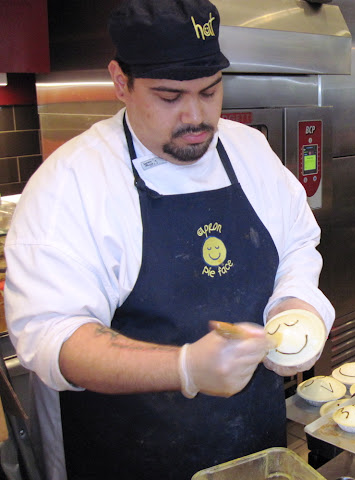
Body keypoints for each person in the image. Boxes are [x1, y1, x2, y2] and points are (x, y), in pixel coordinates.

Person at [3, 1, 335, 479]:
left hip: (253, 447)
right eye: (168, 96)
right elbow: (54, 336)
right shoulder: (72, 182)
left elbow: (299, 246)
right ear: (121, 82)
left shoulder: (248, 151)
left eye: (209, 91)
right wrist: (183, 369)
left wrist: (294, 304)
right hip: (126, 455)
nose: (196, 116)